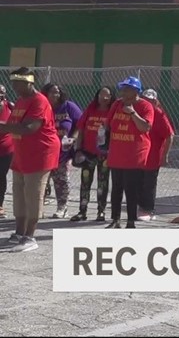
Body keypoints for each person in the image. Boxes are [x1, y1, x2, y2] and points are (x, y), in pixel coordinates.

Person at [0, 68, 59, 252]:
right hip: (22, 153)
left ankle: (30, 237)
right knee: (18, 193)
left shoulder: (39, 101)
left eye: (18, 83)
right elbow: (12, 125)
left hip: (41, 153)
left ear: (29, 82)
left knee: (33, 194)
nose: (14, 86)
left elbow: (29, 128)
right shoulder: (20, 100)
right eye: (13, 82)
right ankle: (19, 233)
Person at [104, 76, 155, 229]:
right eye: (123, 89)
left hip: (134, 154)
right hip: (117, 153)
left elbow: (145, 127)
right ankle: (115, 220)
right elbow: (109, 124)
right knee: (116, 189)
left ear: (135, 91)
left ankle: (131, 221)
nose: (123, 92)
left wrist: (132, 113)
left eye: (127, 89)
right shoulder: (117, 104)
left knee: (131, 189)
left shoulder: (145, 106)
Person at [69, 86, 114, 222]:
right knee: (85, 182)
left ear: (112, 97)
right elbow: (81, 128)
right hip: (88, 153)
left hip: (104, 154)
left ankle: (101, 212)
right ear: (97, 96)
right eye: (102, 95)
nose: (104, 98)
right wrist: (78, 148)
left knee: (103, 183)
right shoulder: (91, 108)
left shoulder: (113, 111)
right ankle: (82, 211)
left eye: (107, 95)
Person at [42, 83, 82, 219]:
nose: (55, 95)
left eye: (57, 92)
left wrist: (73, 138)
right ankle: (38, 207)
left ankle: (62, 208)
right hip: (44, 149)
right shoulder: (42, 106)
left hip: (62, 151)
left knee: (61, 180)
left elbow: (81, 123)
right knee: (42, 180)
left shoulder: (68, 106)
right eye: (52, 92)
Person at [138, 88, 174, 221]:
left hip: (152, 156)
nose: (147, 102)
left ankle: (148, 209)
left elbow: (170, 135)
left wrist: (165, 155)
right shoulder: (139, 112)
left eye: (150, 100)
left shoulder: (159, 114)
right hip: (138, 155)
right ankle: (140, 207)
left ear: (155, 101)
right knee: (137, 182)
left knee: (149, 184)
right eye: (144, 99)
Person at [0, 83, 12, 219]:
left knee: (1, 176)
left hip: (6, 148)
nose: (0, 94)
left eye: (2, 92)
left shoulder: (11, 106)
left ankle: (0, 204)